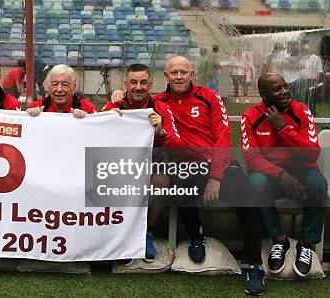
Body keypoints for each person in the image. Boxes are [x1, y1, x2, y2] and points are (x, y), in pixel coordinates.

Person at [111, 55, 266, 295]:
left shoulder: (210, 97)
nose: (179, 76)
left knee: (247, 196)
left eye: (183, 72)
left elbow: (224, 137)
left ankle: (254, 265)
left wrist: (215, 177)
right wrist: (118, 95)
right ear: (165, 76)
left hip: (218, 165)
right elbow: (132, 104)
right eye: (174, 73)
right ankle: (196, 234)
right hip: (184, 165)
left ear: (192, 74)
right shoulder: (159, 101)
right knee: (180, 178)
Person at [241, 73, 327, 278]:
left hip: (303, 170)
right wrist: (281, 175)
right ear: (263, 93)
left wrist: (283, 128)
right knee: (256, 182)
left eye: (285, 86)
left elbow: (312, 153)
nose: (285, 92)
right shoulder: (250, 117)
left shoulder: (301, 111)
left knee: (318, 184)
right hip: (271, 174)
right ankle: (278, 240)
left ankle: (306, 244)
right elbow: (251, 158)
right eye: (277, 89)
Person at [102, 64, 184, 262]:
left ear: (150, 84)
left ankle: (145, 232)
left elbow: (177, 144)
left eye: (143, 82)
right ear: (126, 84)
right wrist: (109, 121)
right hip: (118, 165)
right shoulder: (115, 105)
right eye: (133, 82)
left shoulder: (161, 108)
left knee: (162, 183)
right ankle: (120, 236)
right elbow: (96, 136)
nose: (138, 87)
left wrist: (161, 131)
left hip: (150, 164)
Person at [26, 64, 96, 117]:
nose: (59, 89)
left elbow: (98, 133)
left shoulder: (88, 109)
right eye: (55, 84)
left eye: (65, 84)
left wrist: (87, 120)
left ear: (73, 87)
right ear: (48, 87)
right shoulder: (36, 107)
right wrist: (31, 119)